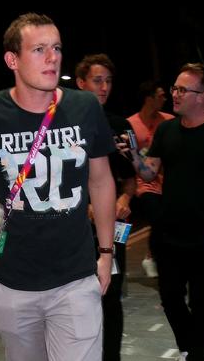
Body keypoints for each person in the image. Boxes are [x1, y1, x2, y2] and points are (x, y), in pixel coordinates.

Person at [0, 13, 116, 361]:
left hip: (74, 280)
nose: (52, 57)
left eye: (56, 48)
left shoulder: (84, 107)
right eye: (39, 49)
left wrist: (106, 254)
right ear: (12, 59)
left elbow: (101, 180)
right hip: (13, 283)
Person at [126, 63, 204, 361]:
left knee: (202, 301)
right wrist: (131, 156)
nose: (174, 94)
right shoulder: (166, 130)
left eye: (182, 90)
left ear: (202, 95)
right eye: (174, 88)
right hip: (169, 232)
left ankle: (196, 355)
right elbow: (149, 173)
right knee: (169, 297)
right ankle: (190, 346)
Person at [75, 53, 136, 361]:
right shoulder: (63, 125)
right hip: (71, 230)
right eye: (97, 80)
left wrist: (125, 199)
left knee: (110, 296)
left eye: (109, 81)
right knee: (75, 300)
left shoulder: (119, 126)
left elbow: (130, 179)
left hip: (111, 229)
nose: (104, 87)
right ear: (80, 83)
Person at [126, 80, 174, 278]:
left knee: (167, 222)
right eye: (161, 95)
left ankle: (153, 256)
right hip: (143, 182)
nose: (165, 98)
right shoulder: (130, 124)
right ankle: (155, 259)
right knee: (158, 218)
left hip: (167, 181)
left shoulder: (170, 120)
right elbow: (128, 153)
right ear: (149, 99)